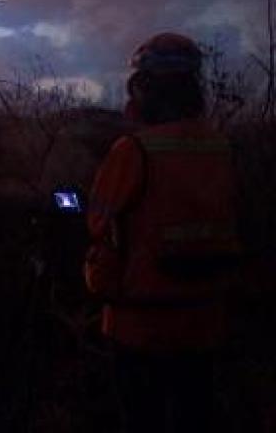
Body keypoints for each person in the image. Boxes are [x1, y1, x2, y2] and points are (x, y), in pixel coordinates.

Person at [84, 33, 241, 433]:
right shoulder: (224, 147)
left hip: (139, 325)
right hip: (206, 318)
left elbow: (97, 221)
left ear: (144, 89)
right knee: (195, 415)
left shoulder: (134, 150)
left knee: (143, 419)